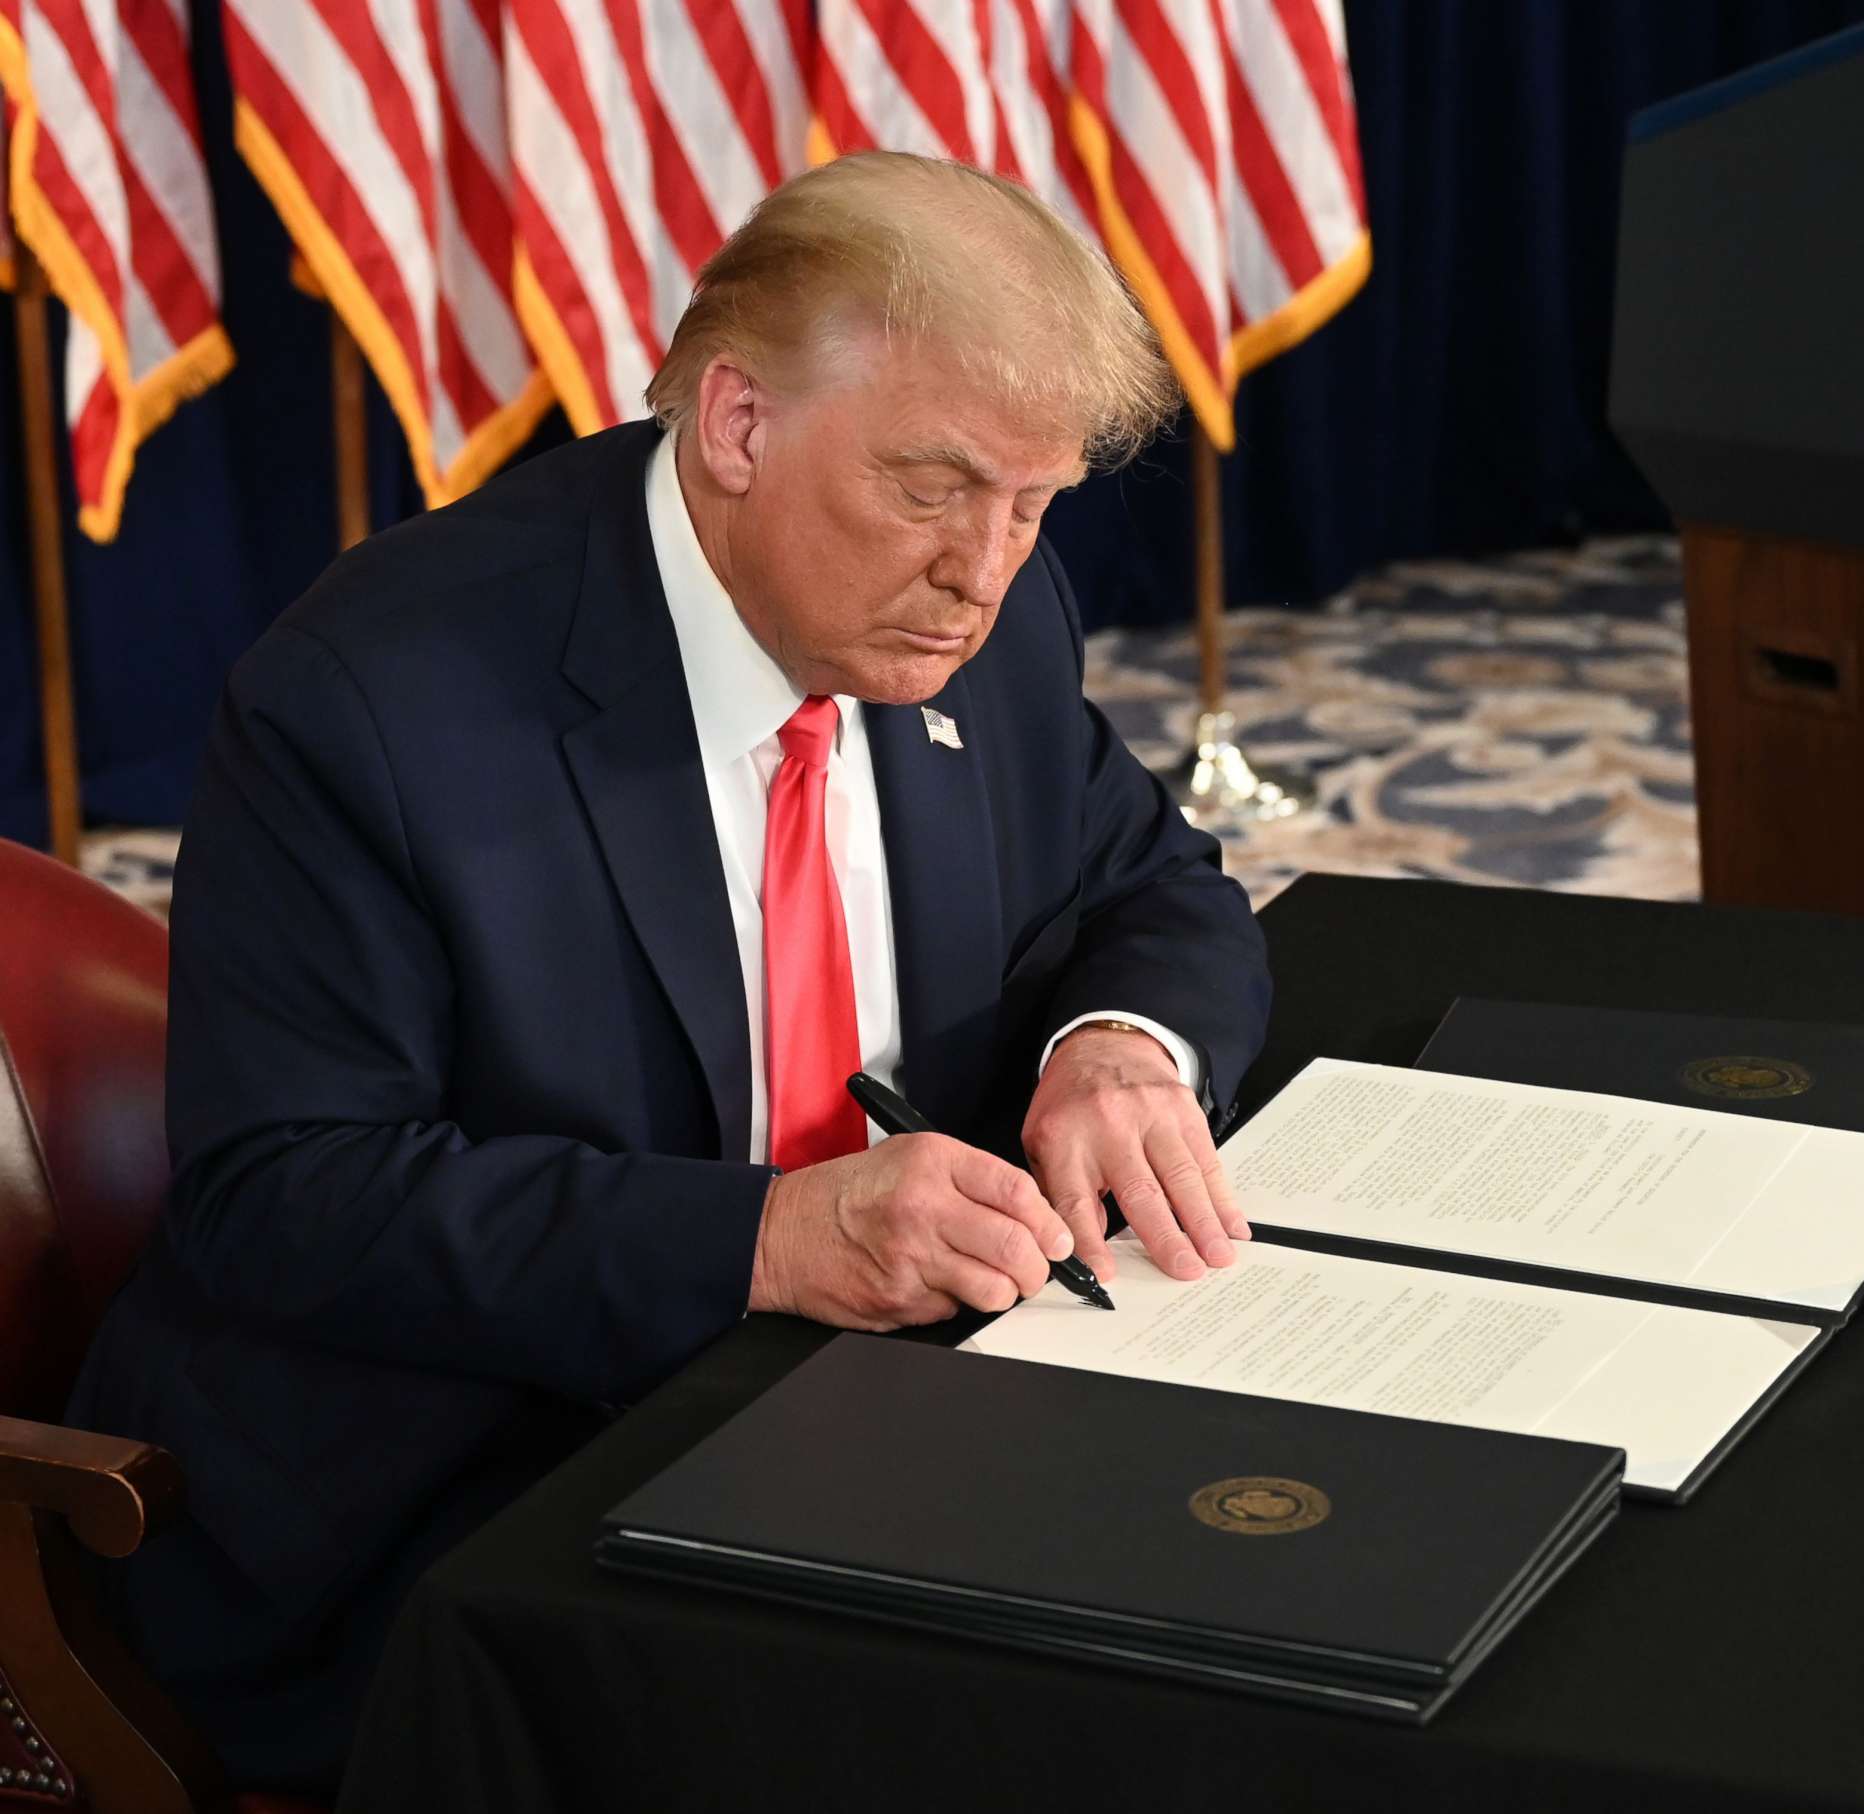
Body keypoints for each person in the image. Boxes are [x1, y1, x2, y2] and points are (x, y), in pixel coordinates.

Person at [67, 151, 1271, 1793]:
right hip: (470, 1499)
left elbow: (1150, 879)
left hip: (874, 1424)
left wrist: (1121, 1047)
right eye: (932, 490)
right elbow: (288, 1196)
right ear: (736, 425)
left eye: (1035, 502)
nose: (986, 571)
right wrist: (768, 1236)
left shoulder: (991, 612)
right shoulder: (371, 704)